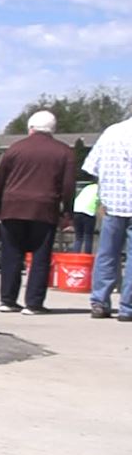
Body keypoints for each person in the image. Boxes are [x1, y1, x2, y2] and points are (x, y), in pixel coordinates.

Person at [0, 111, 76, 314]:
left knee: (11, 255)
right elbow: (68, 187)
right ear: (53, 129)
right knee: (40, 256)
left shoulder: (14, 149)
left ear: (30, 128)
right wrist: (67, 213)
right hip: (44, 208)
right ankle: (34, 303)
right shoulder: (64, 152)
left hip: (12, 207)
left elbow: (0, 181)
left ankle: (8, 300)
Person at [84, 113, 132, 320]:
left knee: (106, 254)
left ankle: (100, 302)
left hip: (112, 203)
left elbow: (91, 166)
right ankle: (127, 306)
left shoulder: (111, 132)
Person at [71, 181, 98, 254]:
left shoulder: (88, 187)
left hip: (76, 210)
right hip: (88, 212)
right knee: (88, 236)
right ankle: (87, 256)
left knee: (78, 237)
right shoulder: (101, 189)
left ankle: (75, 257)